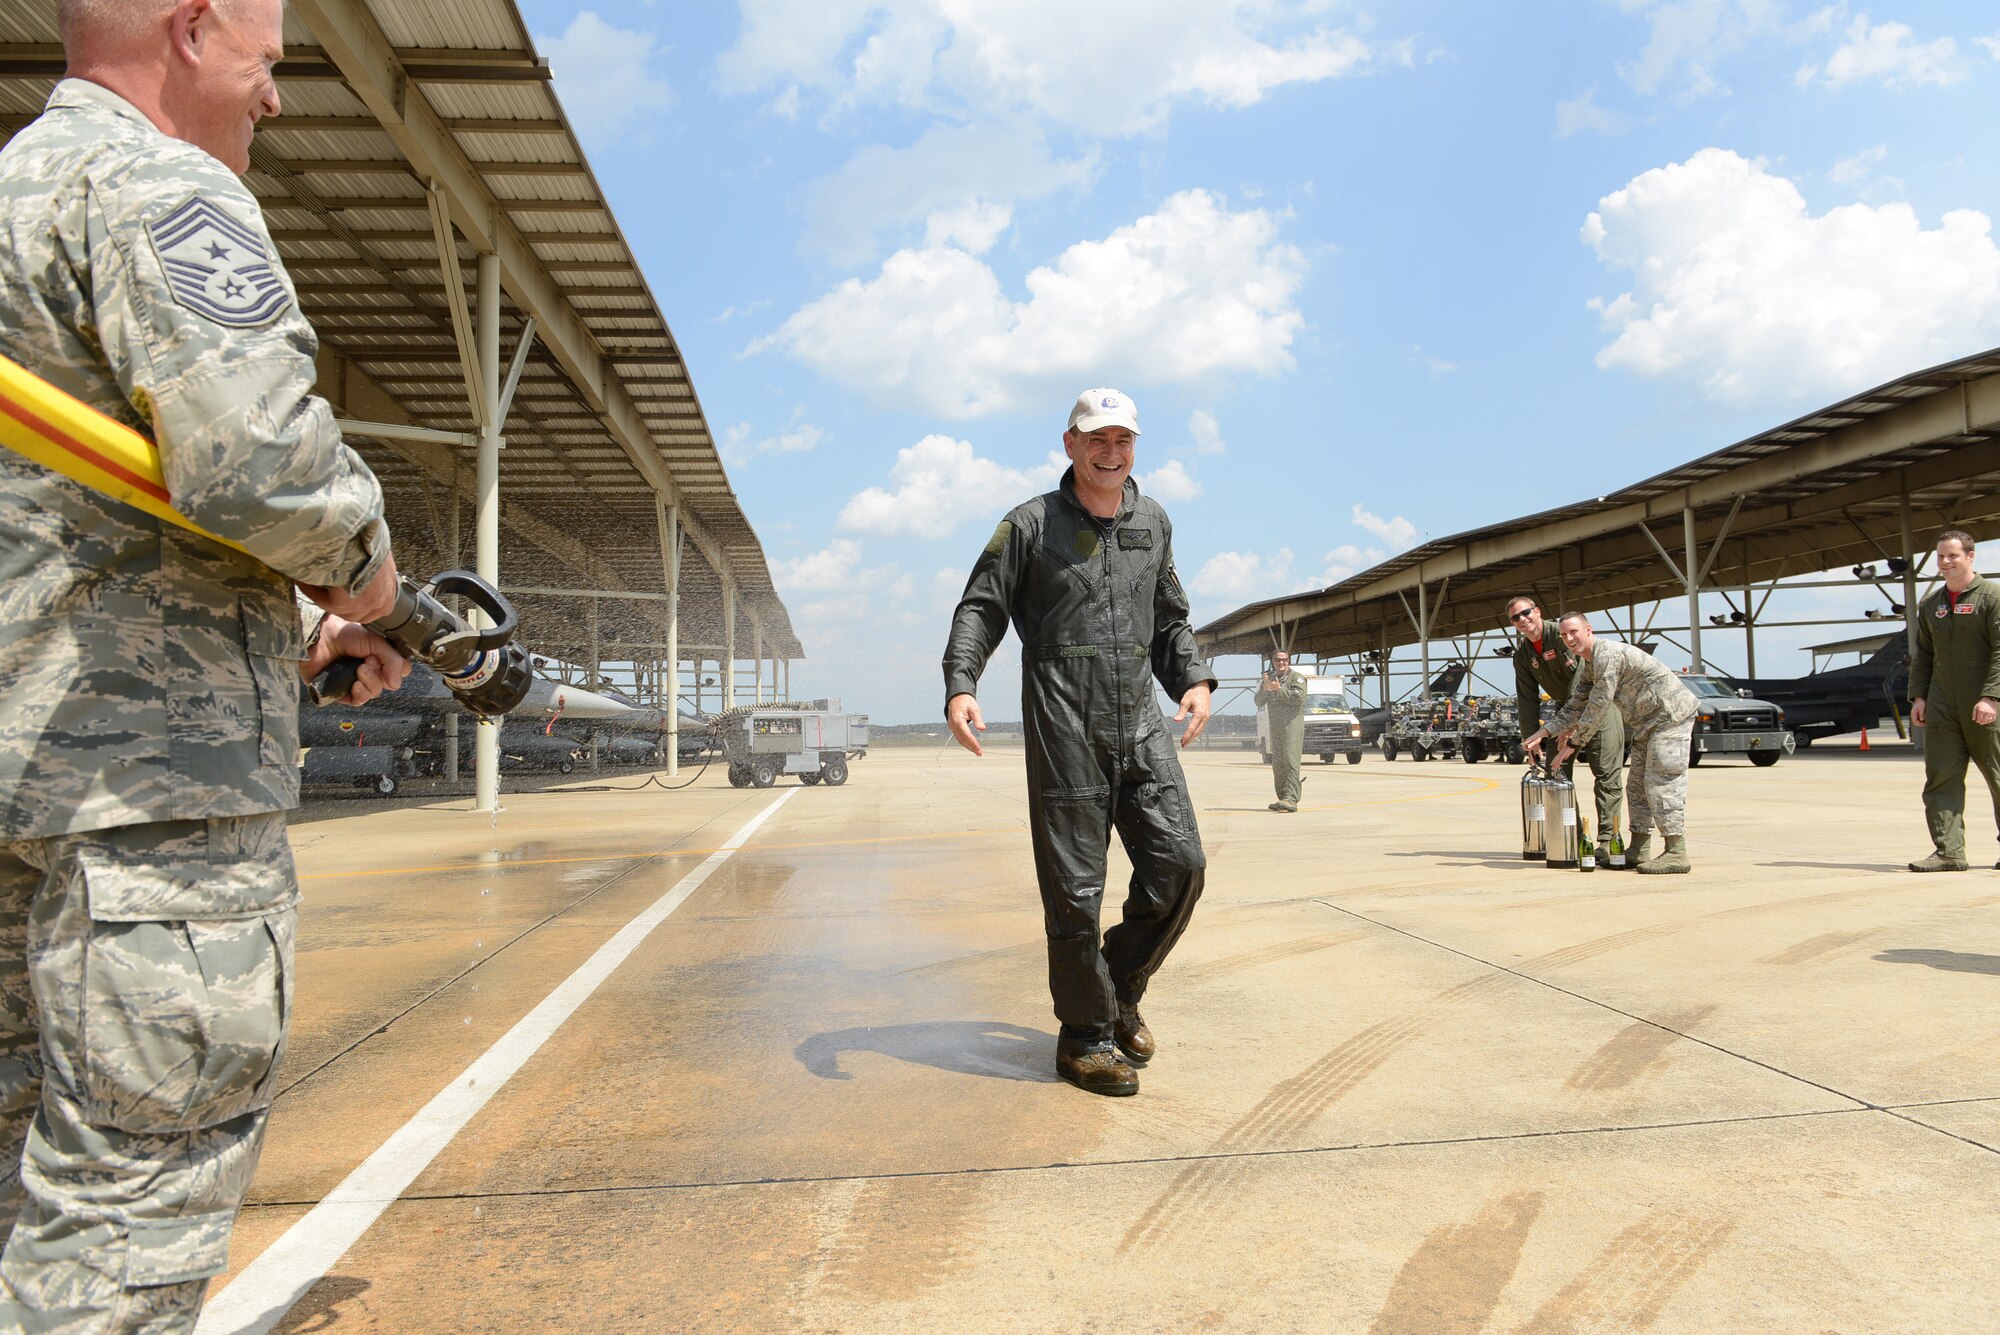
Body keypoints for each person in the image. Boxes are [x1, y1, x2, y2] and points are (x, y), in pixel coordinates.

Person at [0, 1, 409, 1327]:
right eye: (267, 61)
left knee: (25, 1178)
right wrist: (372, 580)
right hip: (147, 807)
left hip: (25, 779)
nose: (274, 102)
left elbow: (75, 518)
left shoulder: (15, 193)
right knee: (128, 1197)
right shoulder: (157, 184)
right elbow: (260, 462)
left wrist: (299, 636)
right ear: (188, 29)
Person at [943, 388, 1215, 1097]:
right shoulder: (1030, 524)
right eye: (1097, 438)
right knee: (1074, 892)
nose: (1111, 450)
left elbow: (1169, 619)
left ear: (1135, 446)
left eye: (1123, 438)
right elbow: (982, 604)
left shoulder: (1151, 521)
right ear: (1070, 444)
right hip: (1065, 727)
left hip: (1139, 724)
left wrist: (1192, 678)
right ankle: (1085, 1037)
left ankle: (1120, 987)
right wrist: (961, 681)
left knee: (1181, 865)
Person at [1523, 614, 1697, 875]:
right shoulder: (1590, 664)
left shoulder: (1606, 656)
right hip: (1646, 724)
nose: (1569, 639)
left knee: (1661, 783)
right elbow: (1576, 704)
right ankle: (1639, 848)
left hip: (1670, 717)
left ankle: (1676, 852)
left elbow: (1598, 705)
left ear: (1588, 630)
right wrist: (1544, 731)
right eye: (1563, 635)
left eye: (1574, 632)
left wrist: (1572, 743)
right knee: (1636, 785)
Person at [1505, 597, 1628, 866]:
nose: (1522, 620)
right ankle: (1573, 837)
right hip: (1564, 712)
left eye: (1526, 613)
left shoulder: (1563, 634)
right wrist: (1532, 739)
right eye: (1515, 618)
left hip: (1600, 709)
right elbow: (1527, 699)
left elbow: (1582, 681)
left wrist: (1571, 725)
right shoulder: (1523, 655)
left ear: (1537, 611)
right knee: (1554, 774)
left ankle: (1607, 841)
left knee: (1606, 776)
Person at [1906, 529, 2000, 872]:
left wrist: (1992, 696)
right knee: (1940, 777)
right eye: (1940, 557)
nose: (1945, 563)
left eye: (1952, 556)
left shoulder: (1992, 597)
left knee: (1998, 775)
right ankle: (1949, 852)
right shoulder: (1931, 605)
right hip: (1943, 703)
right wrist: (1920, 696)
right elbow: (1924, 655)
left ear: (1970, 557)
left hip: (1986, 704)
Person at [1255, 649, 1307, 812]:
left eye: (1284, 660)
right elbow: (1258, 701)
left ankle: (1291, 799)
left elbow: (1298, 698)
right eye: (1277, 660)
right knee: (1278, 763)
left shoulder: (1296, 678)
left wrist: (1279, 690)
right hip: (1276, 727)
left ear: (1288, 661)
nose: (1281, 663)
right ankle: (1283, 797)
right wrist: (1265, 688)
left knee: (1290, 760)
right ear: (1273, 661)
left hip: (1291, 726)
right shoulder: (1270, 679)